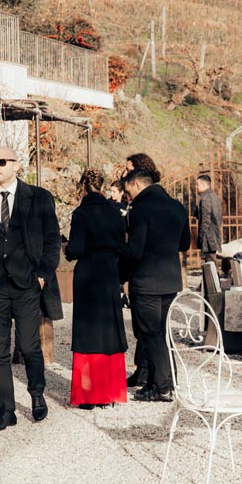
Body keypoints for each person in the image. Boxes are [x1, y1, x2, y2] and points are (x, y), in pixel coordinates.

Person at [0, 147, 62, 431]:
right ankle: (6, 411)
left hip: (27, 284)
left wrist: (42, 276)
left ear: (17, 166)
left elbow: (53, 241)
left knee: (30, 347)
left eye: (2, 162)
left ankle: (37, 395)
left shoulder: (39, 198)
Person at [121, 168, 190, 402]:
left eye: (128, 189)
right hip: (170, 279)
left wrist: (117, 247)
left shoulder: (141, 209)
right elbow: (185, 243)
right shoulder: (177, 207)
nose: (127, 194)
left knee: (150, 334)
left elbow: (135, 250)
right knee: (162, 334)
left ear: (138, 185)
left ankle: (161, 387)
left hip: (146, 279)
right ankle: (164, 381)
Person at [65, 169, 128, 410]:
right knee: (109, 329)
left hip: (89, 272)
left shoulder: (81, 213)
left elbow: (77, 249)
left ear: (83, 187)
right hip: (109, 272)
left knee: (88, 332)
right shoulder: (115, 212)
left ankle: (90, 395)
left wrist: (67, 249)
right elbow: (122, 243)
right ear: (102, 187)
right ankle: (110, 392)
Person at [120, 152, 162, 389]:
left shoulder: (142, 204)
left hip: (145, 272)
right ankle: (144, 370)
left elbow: (136, 245)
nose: (123, 173)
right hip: (153, 273)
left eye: (127, 169)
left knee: (147, 329)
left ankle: (150, 375)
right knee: (146, 329)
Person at [195, 174, 223, 264]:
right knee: (211, 262)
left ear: (204, 185)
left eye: (197, 185)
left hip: (208, 236)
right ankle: (213, 277)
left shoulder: (205, 198)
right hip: (214, 234)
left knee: (210, 265)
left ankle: (212, 278)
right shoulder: (214, 196)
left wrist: (201, 236)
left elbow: (205, 220)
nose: (196, 187)